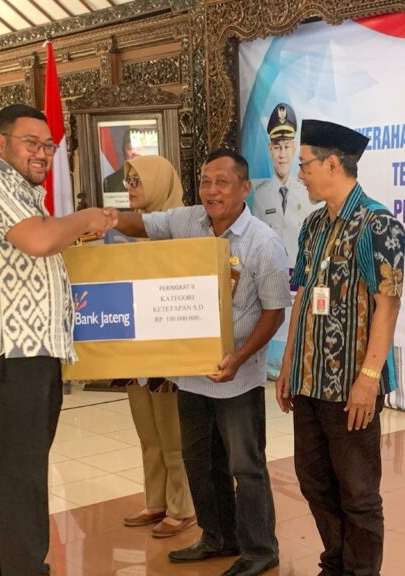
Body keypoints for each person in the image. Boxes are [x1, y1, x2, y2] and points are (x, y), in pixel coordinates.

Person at [0, 103, 116, 576]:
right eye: (31, 143)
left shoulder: (22, 193)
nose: (42, 153)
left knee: (16, 470)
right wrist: (86, 217)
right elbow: (39, 241)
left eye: (49, 146)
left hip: (31, 354)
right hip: (3, 355)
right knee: (22, 476)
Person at [109, 149, 290, 576]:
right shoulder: (187, 221)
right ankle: (217, 537)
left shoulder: (263, 242)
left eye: (222, 182)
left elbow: (274, 312)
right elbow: (142, 225)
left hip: (237, 377)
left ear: (244, 188)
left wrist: (239, 358)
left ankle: (260, 549)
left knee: (245, 467)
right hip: (191, 375)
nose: (212, 191)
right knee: (200, 463)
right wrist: (106, 219)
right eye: (206, 181)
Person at [276, 119, 405, 576]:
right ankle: (336, 563)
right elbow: (302, 297)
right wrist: (289, 365)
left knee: (358, 492)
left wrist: (368, 380)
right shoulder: (313, 225)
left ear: (332, 164)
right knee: (314, 481)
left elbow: (388, 305)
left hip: (352, 385)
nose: (300, 175)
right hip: (310, 381)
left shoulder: (378, 224)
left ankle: (361, 570)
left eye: (305, 165)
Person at [112, 156, 196, 538]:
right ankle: (156, 500)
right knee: (148, 431)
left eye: (137, 181)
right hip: (136, 348)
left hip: (170, 348)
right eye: (128, 182)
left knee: (173, 433)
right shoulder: (124, 235)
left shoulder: (183, 230)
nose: (130, 189)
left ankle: (182, 506)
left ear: (160, 184)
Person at [251, 102, 317, 266]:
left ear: (294, 148)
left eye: (287, 147)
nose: (282, 154)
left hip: (303, 274)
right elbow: (256, 242)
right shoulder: (260, 196)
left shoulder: (308, 192)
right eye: (277, 148)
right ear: (269, 149)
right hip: (270, 272)